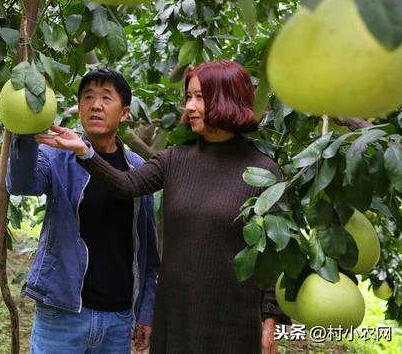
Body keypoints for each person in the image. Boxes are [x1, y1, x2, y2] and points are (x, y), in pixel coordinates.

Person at [36, 60, 291, 354]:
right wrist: (85, 152)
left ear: (227, 98)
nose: (190, 107)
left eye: (199, 97)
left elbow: (276, 252)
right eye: (188, 97)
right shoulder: (175, 160)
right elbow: (125, 185)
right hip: (176, 317)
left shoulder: (262, 170)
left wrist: (270, 322)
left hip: (232, 320)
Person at [6, 68, 160, 353]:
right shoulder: (58, 154)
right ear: (79, 108)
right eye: (88, 97)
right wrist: (24, 129)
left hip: (118, 318)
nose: (95, 105)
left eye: (105, 97)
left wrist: (146, 312)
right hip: (61, 314)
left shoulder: (138, 168)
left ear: (124, 113)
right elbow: (21, 184)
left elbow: (148, 251)